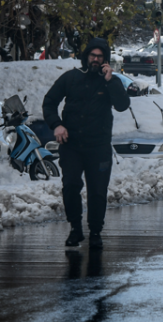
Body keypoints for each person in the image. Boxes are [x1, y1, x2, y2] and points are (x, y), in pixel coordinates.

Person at [43, 37, 130, 249]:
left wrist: (111, 81)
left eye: (100, 57)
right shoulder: (71, 78)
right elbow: (49, 102)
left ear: (105, 60)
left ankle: (96, 231)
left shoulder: (112, 81)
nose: (96, 60)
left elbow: (122, 105)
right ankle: (75, 228)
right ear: (86, 57)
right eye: (92, 55)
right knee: (71, 186)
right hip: (71, 144)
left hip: (98, 146)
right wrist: (56, 125)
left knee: (97, 191)